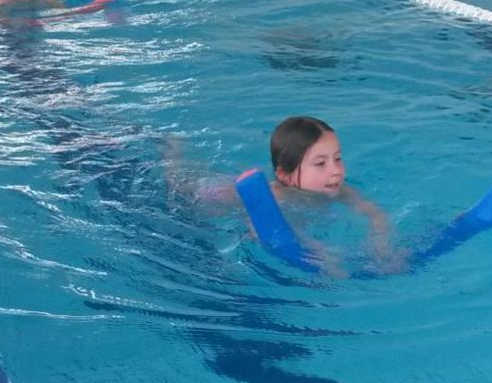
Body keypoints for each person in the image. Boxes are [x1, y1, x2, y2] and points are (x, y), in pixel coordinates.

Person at [165, 116, 407, 277]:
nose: (336, 171)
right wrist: (319, 252)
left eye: (338, 158)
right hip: (211, 195)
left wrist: (382, 246)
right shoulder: (276, 199)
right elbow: (272, 231)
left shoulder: (340, 190)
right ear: (285, 176)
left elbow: (376, 215)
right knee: (178, 183)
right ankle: (173, 152)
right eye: (320, 163)